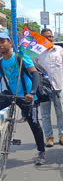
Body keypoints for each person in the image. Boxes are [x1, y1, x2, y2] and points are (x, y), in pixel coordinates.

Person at [0, 33, 46, 165]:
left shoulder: (20, 56)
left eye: (3, 41)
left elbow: (35, 74)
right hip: (11, 93)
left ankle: (41, 151)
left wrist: (32, 93)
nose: (1, 45)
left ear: (10, 43)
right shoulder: (1, 62)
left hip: (27, 95)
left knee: (34, 123)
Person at [34, 28, 63, 147]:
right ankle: (49, 137)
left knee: (61, 113)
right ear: (41, 38)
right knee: (45, 115)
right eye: (46, 37)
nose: (49, 39)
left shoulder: (59, 50)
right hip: (43, 88)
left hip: (58, 87)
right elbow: (34, 70)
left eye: (50, 36)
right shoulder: (37, 52)